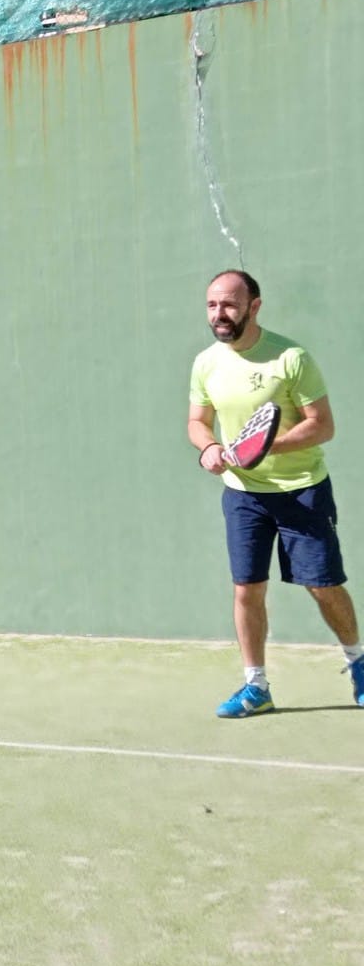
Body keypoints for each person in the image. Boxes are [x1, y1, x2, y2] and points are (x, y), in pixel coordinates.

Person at [188, 270, 364, 717]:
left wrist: (266, 447)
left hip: (302, 491)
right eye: (212, 305)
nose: (219, 314)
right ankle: (256, 687)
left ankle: (358, 662)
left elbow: (322, 425)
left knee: (322, 586)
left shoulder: (290, 358)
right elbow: (197, 421)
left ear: (254, 306)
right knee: (247, 589)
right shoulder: (206, 363)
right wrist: (209, 448)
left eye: (229, 305)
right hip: (243, 495)